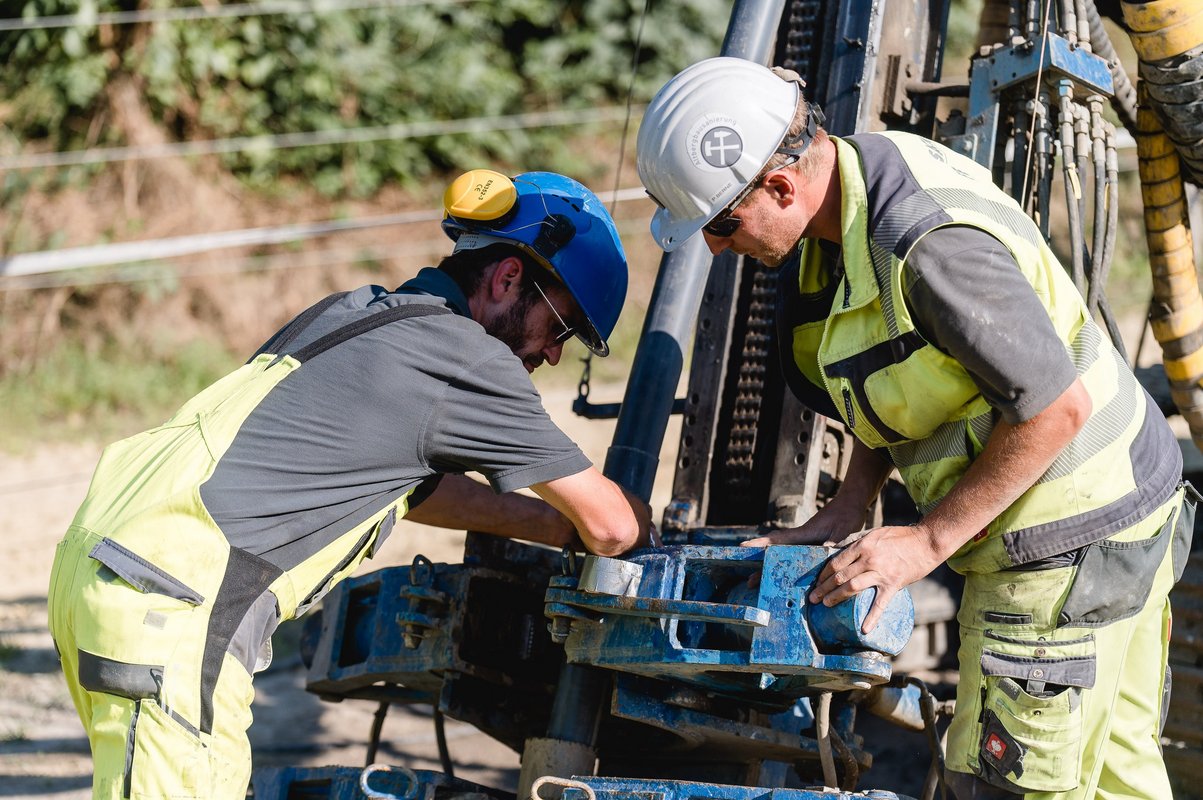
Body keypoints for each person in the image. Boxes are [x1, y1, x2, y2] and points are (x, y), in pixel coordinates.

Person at [636, 56, 1193, 799]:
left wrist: (924, 543)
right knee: (1118, 779)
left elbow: (1055, 410)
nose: (712, 246)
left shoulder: (929, 246)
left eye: (721, 222)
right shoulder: (846, 203)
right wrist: (847, 506)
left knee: (1012, 785)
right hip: (1126, 500)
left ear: (779, 184)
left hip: (1067, 541)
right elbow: (890, 375)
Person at [47, 169, 655, 799]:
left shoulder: (357, 313)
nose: (553, 355)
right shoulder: (466, 360)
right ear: (507, 280)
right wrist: (638, 522)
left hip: (104, 569)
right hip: (174, 607)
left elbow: (422, 492)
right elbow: (610, 526)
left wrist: (551, 526)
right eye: (561, 327)